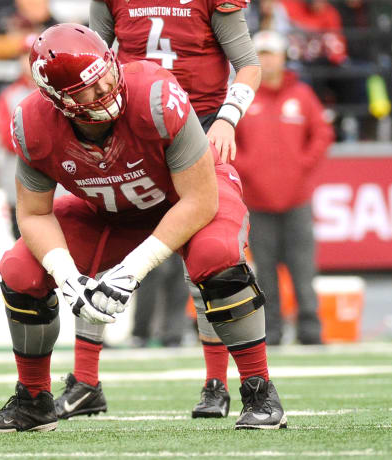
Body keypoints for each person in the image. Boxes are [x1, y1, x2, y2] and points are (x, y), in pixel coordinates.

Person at [0, 23, 286, 432]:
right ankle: (34, 400)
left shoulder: (155, 94)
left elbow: (200, 200)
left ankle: (259, 391)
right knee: (20, 270)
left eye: (106, 75)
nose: (106, 89)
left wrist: (130, 272)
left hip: (188, 193)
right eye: (90, 88)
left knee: (216, 254)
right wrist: (68, 277)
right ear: (59, 100)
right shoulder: (33, 124)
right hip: (111, 211)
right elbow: (32, 214)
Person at [57, 0, 262, 421]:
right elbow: (93, 55)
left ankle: (216, 384)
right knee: (97, 247)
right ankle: (84, 382)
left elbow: (248, 64)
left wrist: (227, 118)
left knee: (208, 258)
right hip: (131, 131)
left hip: (199, 130)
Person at [233, 30, 333, 345]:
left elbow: (322, 132)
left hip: (297, 200)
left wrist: (303, 164)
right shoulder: (242, 96)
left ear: (283, 57)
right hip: (258, 202)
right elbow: (227, 138)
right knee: (266, 273)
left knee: (304, 269)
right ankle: (272, 330)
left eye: (271, 53)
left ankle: (310, 330)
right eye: (260, 54)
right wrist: (248, 169)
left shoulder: (301, 95)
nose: (267, 60)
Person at [0, 33, 37, 240]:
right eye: (25, 56)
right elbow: (8, 138)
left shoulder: (65, 91)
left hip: (63, 194)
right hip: (20, 193)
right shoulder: (8, 96)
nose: (29, 62)